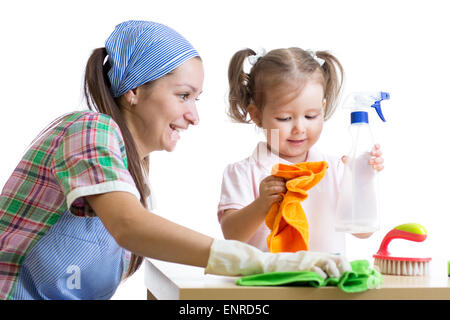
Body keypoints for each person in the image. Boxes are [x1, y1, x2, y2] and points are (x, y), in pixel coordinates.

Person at [0, 21, 351, 300]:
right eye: (183, 95)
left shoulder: (135, 177)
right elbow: (130, 227)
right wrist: (260, 261)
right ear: (133, 91)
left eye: (196, 99)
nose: (194, 116)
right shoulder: (90, 128)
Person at [218, 47, 385, 254]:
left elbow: (362, 232)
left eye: (311, 116)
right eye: (285, 118)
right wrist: (262, 204)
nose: (299, 128)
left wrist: (362, 180)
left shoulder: (333, 169)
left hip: (324, 283)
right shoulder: (243, 173)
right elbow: (231, 235)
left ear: (322, 109)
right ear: (256, 115)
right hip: (265, 284)